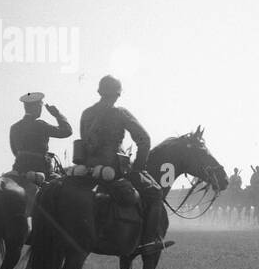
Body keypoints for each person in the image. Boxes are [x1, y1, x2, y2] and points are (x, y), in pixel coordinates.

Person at [78, 75, 163, 242]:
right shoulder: (120, 113)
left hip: (88, 169)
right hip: (114, 168)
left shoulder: (86, 113)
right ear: (117, 94)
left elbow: (84, 140)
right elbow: (144, 140)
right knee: (156, 192)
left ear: (100, 92)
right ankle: (148, 242)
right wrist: (138, 169)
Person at [10, 91, 72, 221]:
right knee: (65, 187)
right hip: (41, 171)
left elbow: (15, 151)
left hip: (19, 169)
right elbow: (67, 131)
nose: (41, 110)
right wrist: (57, 114)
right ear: (35, 107)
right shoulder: (41, 125)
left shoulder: (14, 127)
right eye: (40, 107)